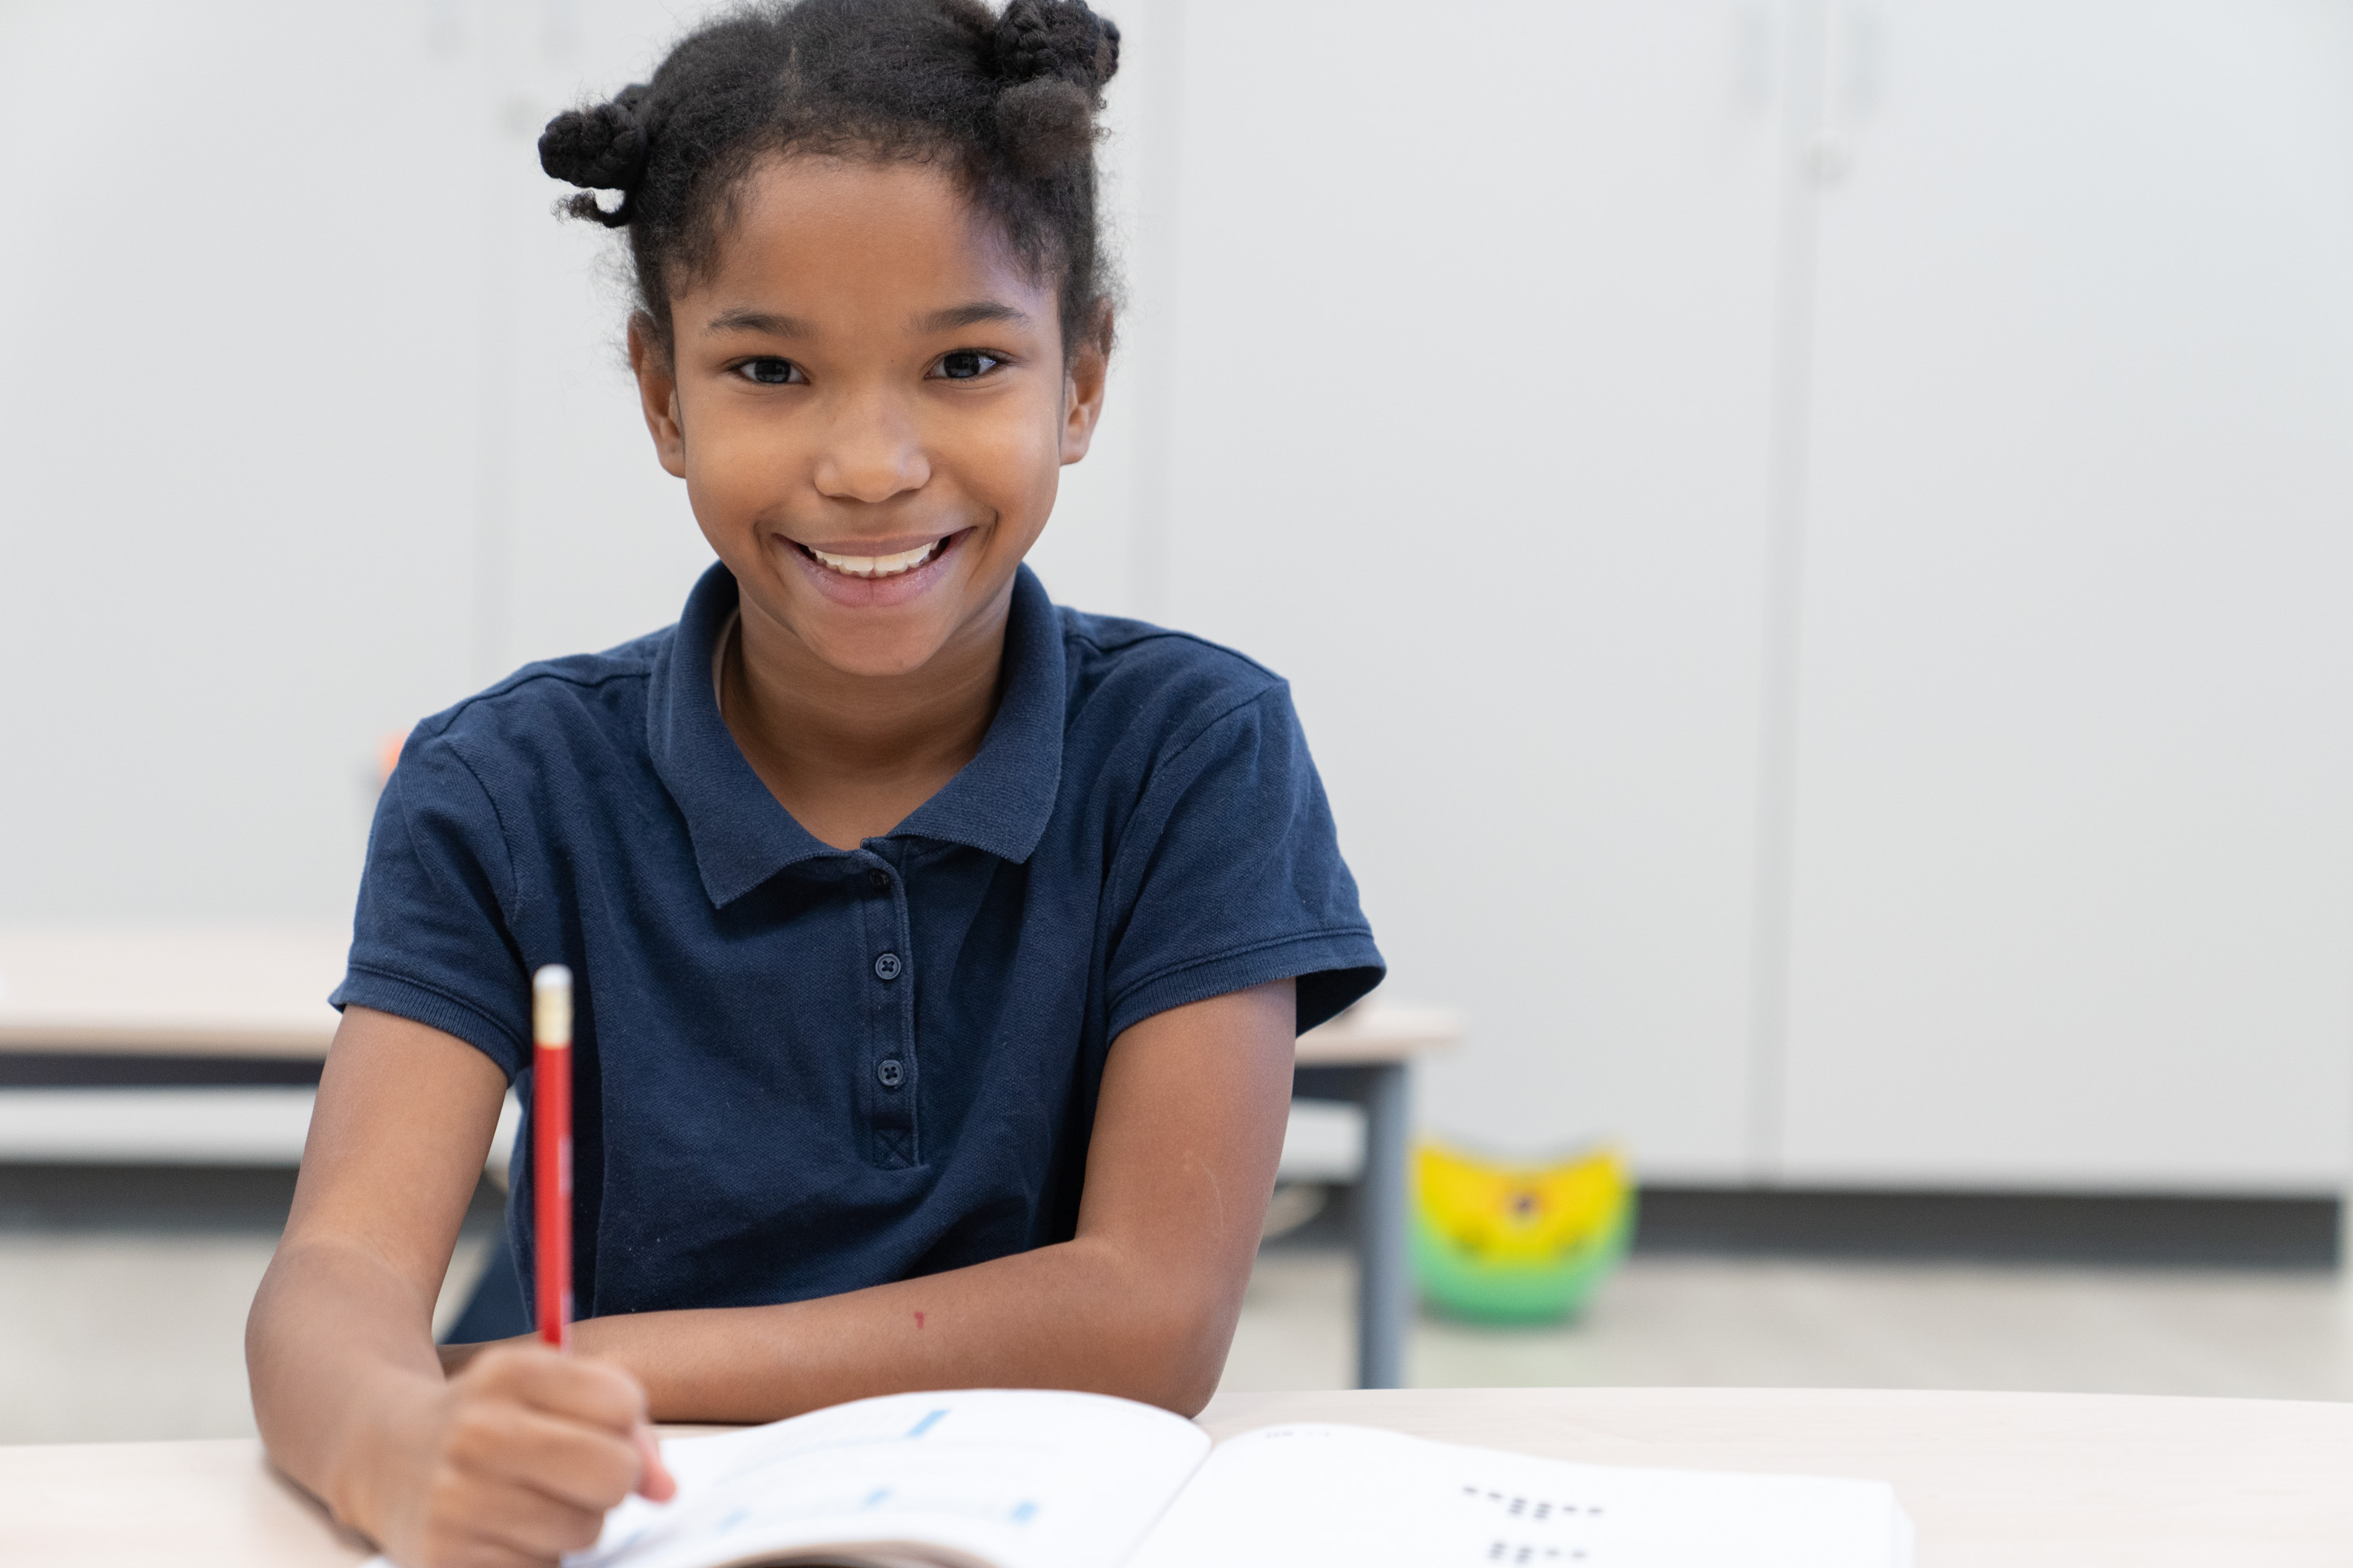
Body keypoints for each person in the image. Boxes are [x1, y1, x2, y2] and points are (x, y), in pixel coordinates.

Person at [245, 1, 1383, 1562]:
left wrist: (575, 1362)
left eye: (967, 361)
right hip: (593, 1518)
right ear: (663, 397)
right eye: (771, 369)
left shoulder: (1196, 751)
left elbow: (1151, 1316)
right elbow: (334, 1283)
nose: (868, 463)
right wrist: (398, 1436)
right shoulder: (502, 788)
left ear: (1081, 382)